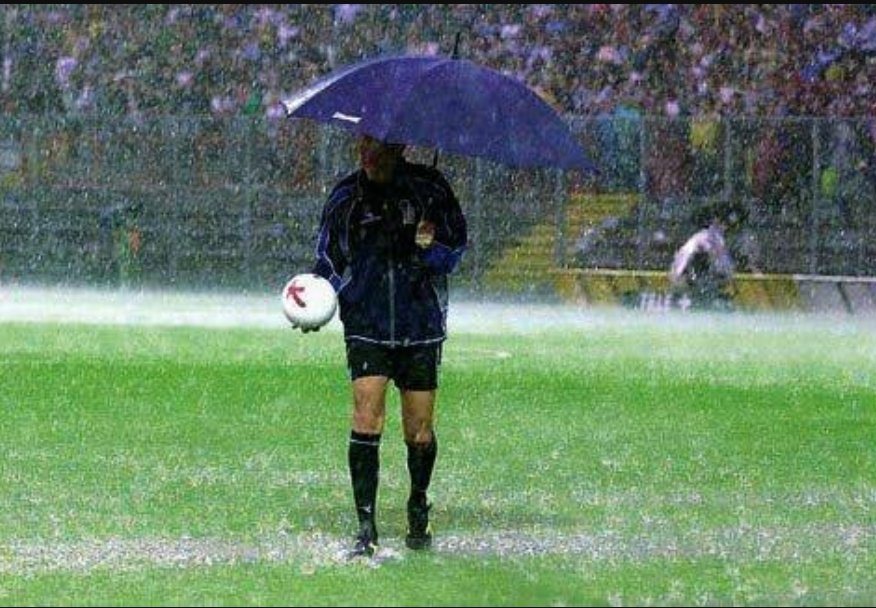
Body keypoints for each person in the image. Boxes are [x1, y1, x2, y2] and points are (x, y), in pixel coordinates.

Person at [296, 134, 468, 558]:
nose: (366, 155)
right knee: (365, 416)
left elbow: (456, 246)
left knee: (419, 432)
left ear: (398, 148)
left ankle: (417, 501)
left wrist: (432, 249)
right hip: (366, 319)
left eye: (376, 148)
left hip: (420, 321)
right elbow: (330, 259)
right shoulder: (346, 197)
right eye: (362, 146)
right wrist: (315, 299)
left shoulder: (430, 189)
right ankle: (366, 526)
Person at [668, 206, 736, 311]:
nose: (726, 227)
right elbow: (713, 257)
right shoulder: (711, 236)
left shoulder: (706, 235)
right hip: (690, 273)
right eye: (725, 224)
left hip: (686, 273)